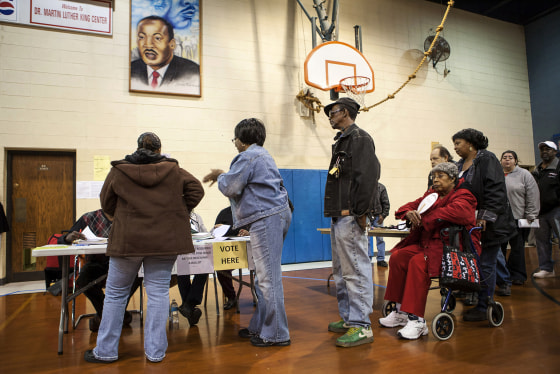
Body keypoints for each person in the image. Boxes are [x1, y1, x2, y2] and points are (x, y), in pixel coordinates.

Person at [84, 132, 204, 363]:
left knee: (116, 295)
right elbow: (196, 191)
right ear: (160, 150)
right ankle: (155, 352)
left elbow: (105, 202)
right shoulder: (174, 170)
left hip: (127, 241)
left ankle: (106, 351)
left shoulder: (119, 170)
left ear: (137, 148)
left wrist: (125, 214)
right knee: (158, 293)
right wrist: (173, 211)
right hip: (164, 242)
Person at [203, 118, 292, 347]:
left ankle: (276, 334)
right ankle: (260, 327)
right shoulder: (262, 155)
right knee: (264, 278)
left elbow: (230, 186)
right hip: (273, 215)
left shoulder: (248, 156)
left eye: (234, 139)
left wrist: (220, 175)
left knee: (268, 279)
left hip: (266, 217)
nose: (234, 143)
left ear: (242, 140)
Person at [379, 162, 480, 339]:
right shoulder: (431, 195)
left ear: (453, 179)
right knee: (397, 257)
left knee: (419, 263)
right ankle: (401, 312)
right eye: (434, 176)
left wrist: (424, 216)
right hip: (426, 244)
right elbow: (407, 207)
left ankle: (417, 320)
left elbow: (458, 213)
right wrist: (409, 212)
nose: (435, 179)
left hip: (450, 249)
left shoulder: (464, 195)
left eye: (441, 176)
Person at [323, 97, 380, 347]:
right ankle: (349, 318)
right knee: (341, 272)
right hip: (339, 216)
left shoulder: (360, 139)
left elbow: (368, 178)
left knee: (355, 271)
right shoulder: (342, 141)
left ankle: (362, 326)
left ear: (345, 112)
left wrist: (361, 212)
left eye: (333, 112)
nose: (330, 117)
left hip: (351, 216)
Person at [452, 128, 516, 322]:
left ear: (470, 144)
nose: (455, 147)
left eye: (458, 143)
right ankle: (476, 297)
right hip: (470, 223)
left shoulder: (487, 159)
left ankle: (484, 304)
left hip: (491, 223)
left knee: (487, 262)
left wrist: (485, 216)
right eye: (454, 144)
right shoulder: (459, 164)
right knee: (475, 263)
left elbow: (496, 190)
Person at [58, 209, 141, 332]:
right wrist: (67, 238)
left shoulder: (129, 217)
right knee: (84, 280)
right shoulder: (89, 218)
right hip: (97, 264)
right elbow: (63, 240)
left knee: (138, 274)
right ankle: (117, 315)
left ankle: (106, 316)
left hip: (123, 263)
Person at [495, 151, 540, 294]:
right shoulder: (497, 174)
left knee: (517, 248)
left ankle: (518, 276)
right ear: (501, 161)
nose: (507, 160)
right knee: (500, 249)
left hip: (518, 217)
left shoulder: (524, 175)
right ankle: (502, 276)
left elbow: (533, 194)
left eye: (510, 158)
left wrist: (531, 213)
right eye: (504, 158)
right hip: (500, 219)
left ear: (515, 161)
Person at [130, 16, 200, 94]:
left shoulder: (192, 72)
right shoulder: (131, 70)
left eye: (157, 38)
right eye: (142, 37)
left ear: (172, 44)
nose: (148, 45)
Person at [213, 206, 250, 310]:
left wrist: (248, 232)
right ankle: (231, 297)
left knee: (260, 266)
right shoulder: (224, 212)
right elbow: (216, 231)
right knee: (220, 267)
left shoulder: (250, 210)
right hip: (229, 252)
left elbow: (256, 229)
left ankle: (258, 294)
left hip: (248, 251)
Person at [532, 141, 560, 278]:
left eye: (548, 149)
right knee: (541, 241)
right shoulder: (537, 170)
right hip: (540, 211)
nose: (544, 151)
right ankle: (547, 269)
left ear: (555, 151)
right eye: (542, 149)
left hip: (556, 209)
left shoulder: (558, 167)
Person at [176, 211, 208, 326]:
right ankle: (190, 305)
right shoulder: (173, 214)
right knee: (182, 267)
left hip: (197, 251)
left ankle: (188, 305)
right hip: (179, 252)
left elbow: (205, 233)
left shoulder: (196, 216)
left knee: (206, 266)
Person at [369, 182, 390, 267]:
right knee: (365, 239)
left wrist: (383, 215)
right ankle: (367, 259)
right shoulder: (364, 186)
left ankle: (381, 259)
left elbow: (386, 203)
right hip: (367, 216)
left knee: (380, 239)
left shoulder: (381, 187)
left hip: (378, 217)